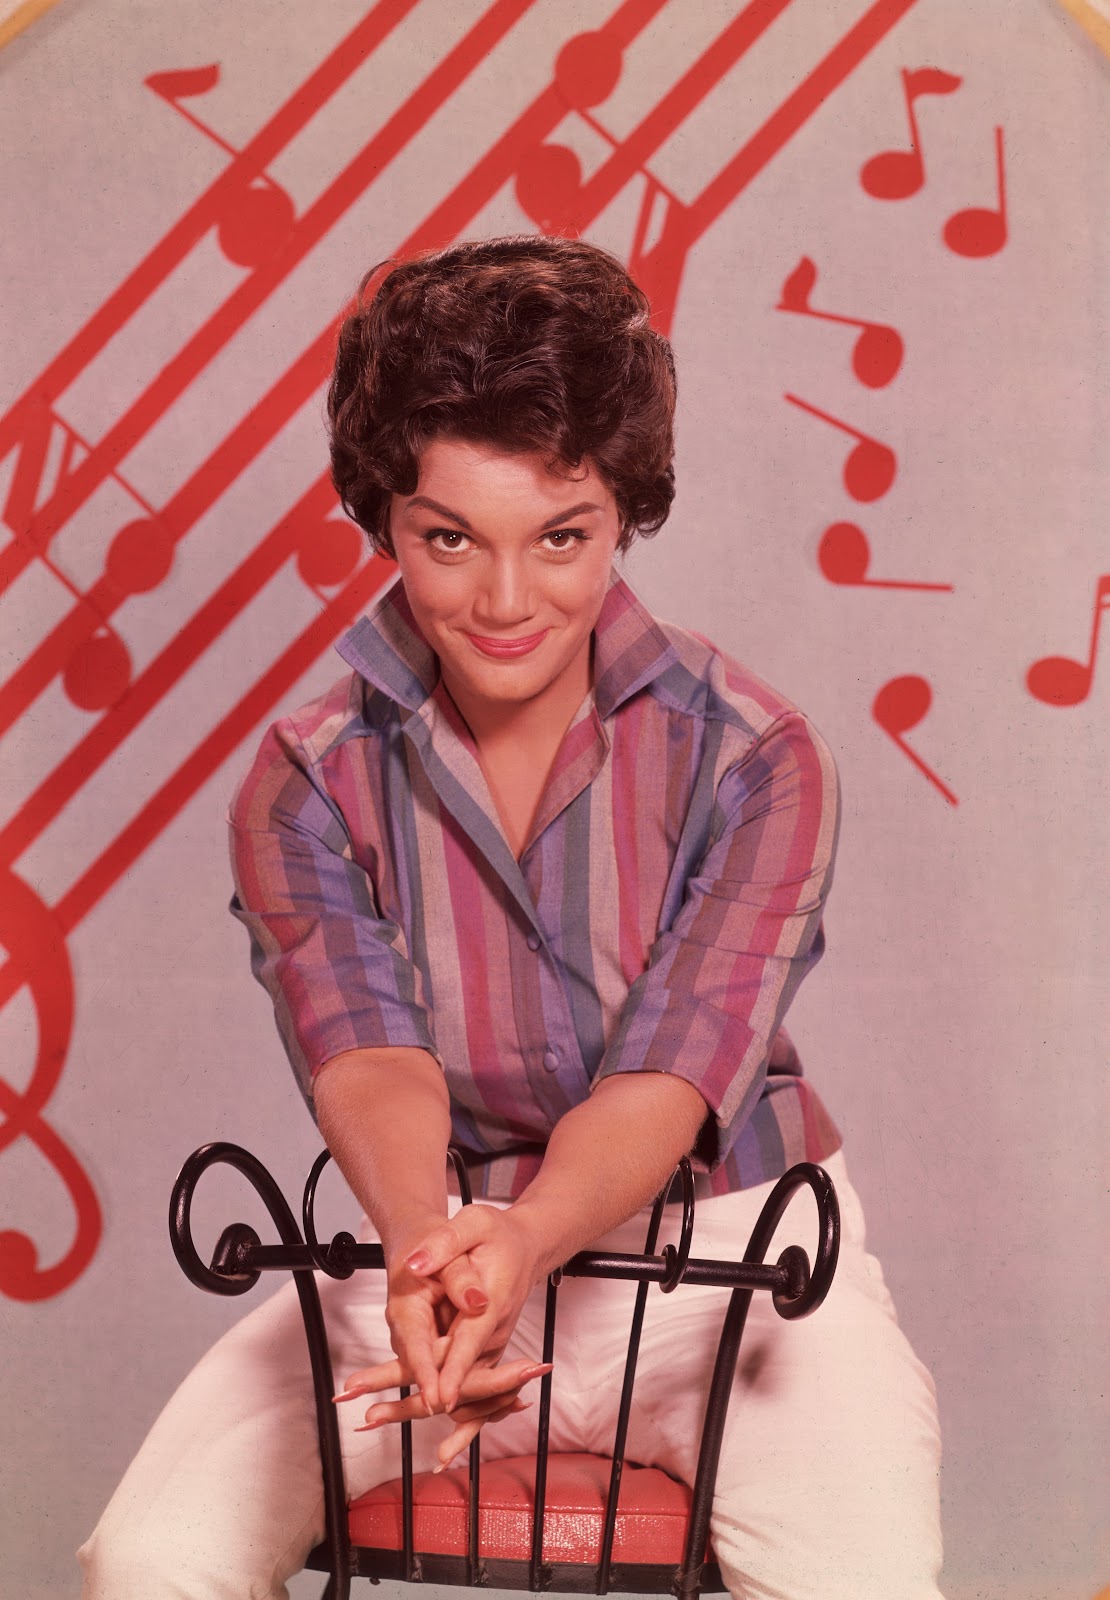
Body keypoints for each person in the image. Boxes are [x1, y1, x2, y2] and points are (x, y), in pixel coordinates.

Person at [79, 235, 944, 1599]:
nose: (501, 602)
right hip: (426, 1237)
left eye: (560, 538)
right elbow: (363, 1053)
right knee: (150, 1558)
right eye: (446, 540)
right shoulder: (300, 781)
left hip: (729, 1260)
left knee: (868, 1585)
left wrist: (526, 1247)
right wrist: (432, 1253)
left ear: (623, 516)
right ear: (382, 521)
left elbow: (666, 1076)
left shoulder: (757, 757)